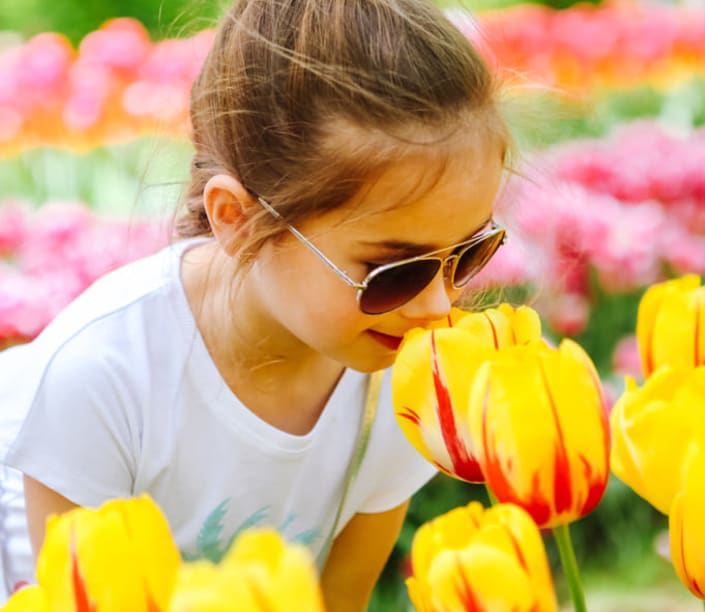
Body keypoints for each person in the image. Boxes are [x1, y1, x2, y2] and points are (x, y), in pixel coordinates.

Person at [0, 0, 511, 608]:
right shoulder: (102, 378)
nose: (437, 307)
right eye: (395, 272)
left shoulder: (400, 383)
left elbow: (336, 602)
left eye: (470, 253)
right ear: (237, 220)